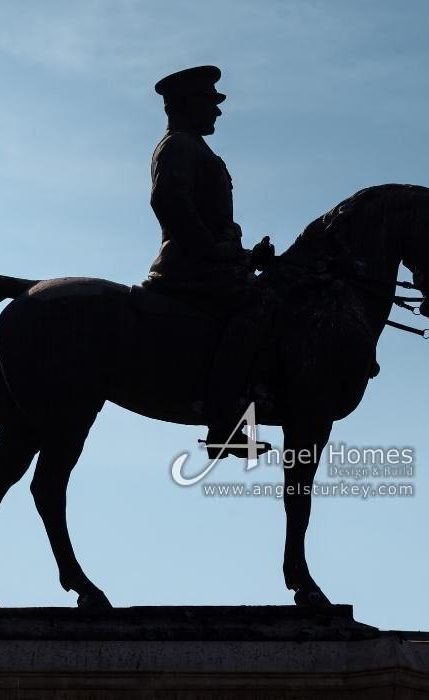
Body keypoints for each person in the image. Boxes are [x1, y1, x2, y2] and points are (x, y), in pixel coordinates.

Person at [143, 65, 275, 459]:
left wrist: (247, 255)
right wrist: (214, 252)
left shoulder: (194, 146)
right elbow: (168, 203)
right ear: (186, 105)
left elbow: (210, 222)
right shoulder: (179, 145)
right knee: (257, 306)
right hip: (189, 267)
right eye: (209, 104)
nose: (217, 112)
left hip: (208, 263)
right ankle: (225, 421)